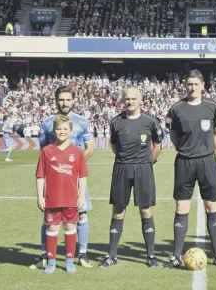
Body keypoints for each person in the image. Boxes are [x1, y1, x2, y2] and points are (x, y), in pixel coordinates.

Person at [164, 69, 216, 268]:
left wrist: (209, 148)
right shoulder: (176, 108)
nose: (192, 87)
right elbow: (173, 133)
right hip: (184, 162)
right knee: (182, 207)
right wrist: (185, 149)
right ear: (186, 85)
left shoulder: (212, 106)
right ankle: (175, 256)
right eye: (189, 84)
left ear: (202, 85)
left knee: (211, 206)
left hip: (207, 162)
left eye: (195, 84)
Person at [30, 86, 95, 269]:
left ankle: (82, 254)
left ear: (73, 100)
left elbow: (90, 147)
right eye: (61, 99)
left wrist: (74, 164)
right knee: (48, 216)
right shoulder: (47, 123)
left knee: (81, 212)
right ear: (56, 100)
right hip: (54, 180)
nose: (64, 103)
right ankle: (45, 255)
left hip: (74, 177)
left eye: (68, 99)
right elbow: (43, 149)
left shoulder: (82, 122)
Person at [99, 87, 163, 267]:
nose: (130, 102)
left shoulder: (150, 121)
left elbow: (157, 146)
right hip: (122, 168)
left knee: (146, 210)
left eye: (134, 99)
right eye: (127, 99)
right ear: (123, 100)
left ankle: (151, 256)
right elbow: (114, 145)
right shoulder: (116, 121)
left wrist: (148, 162)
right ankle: (112, 255)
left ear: (141, 100)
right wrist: (125, 159)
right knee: (118, 210)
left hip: (143, 169)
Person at [35, 115, 88, 274]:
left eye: (65, 129)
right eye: (59, 129)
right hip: (52, 199)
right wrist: (40, 196)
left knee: (70, 227)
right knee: (52, 228)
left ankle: (69, 261)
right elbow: (40, 175)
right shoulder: (46, 151)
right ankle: (51, 262)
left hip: (71, 198)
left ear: (71, 131)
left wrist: (81, 196)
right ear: (54, 131)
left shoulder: (77, 152)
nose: (62, 131)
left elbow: (83, 175)